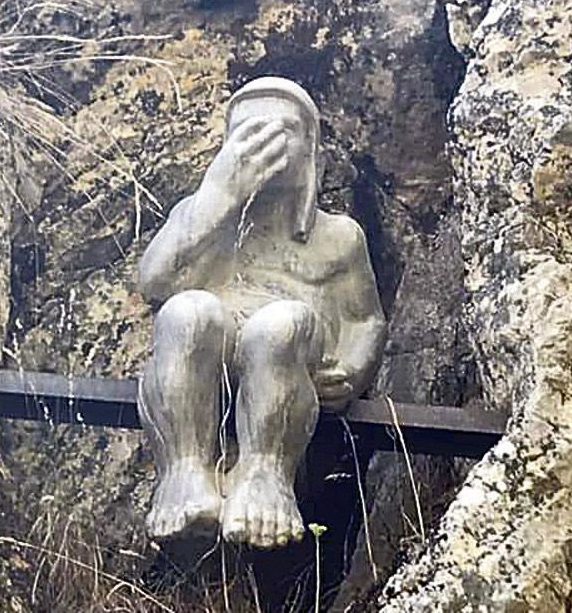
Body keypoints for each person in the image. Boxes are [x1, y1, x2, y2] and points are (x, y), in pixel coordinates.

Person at [136, 77, 386, 549]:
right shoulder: (200, 215)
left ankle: (265, 474)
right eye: (248, 131)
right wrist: (218, 198)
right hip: (213, 349)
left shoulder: (339, 237)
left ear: (311, 148)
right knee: (188, 312)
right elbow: (155, 283)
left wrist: (352, 369)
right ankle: (185, 470)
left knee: (280, 324)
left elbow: (365, 320)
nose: (267, 141)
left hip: (289, 355)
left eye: (285, 129)